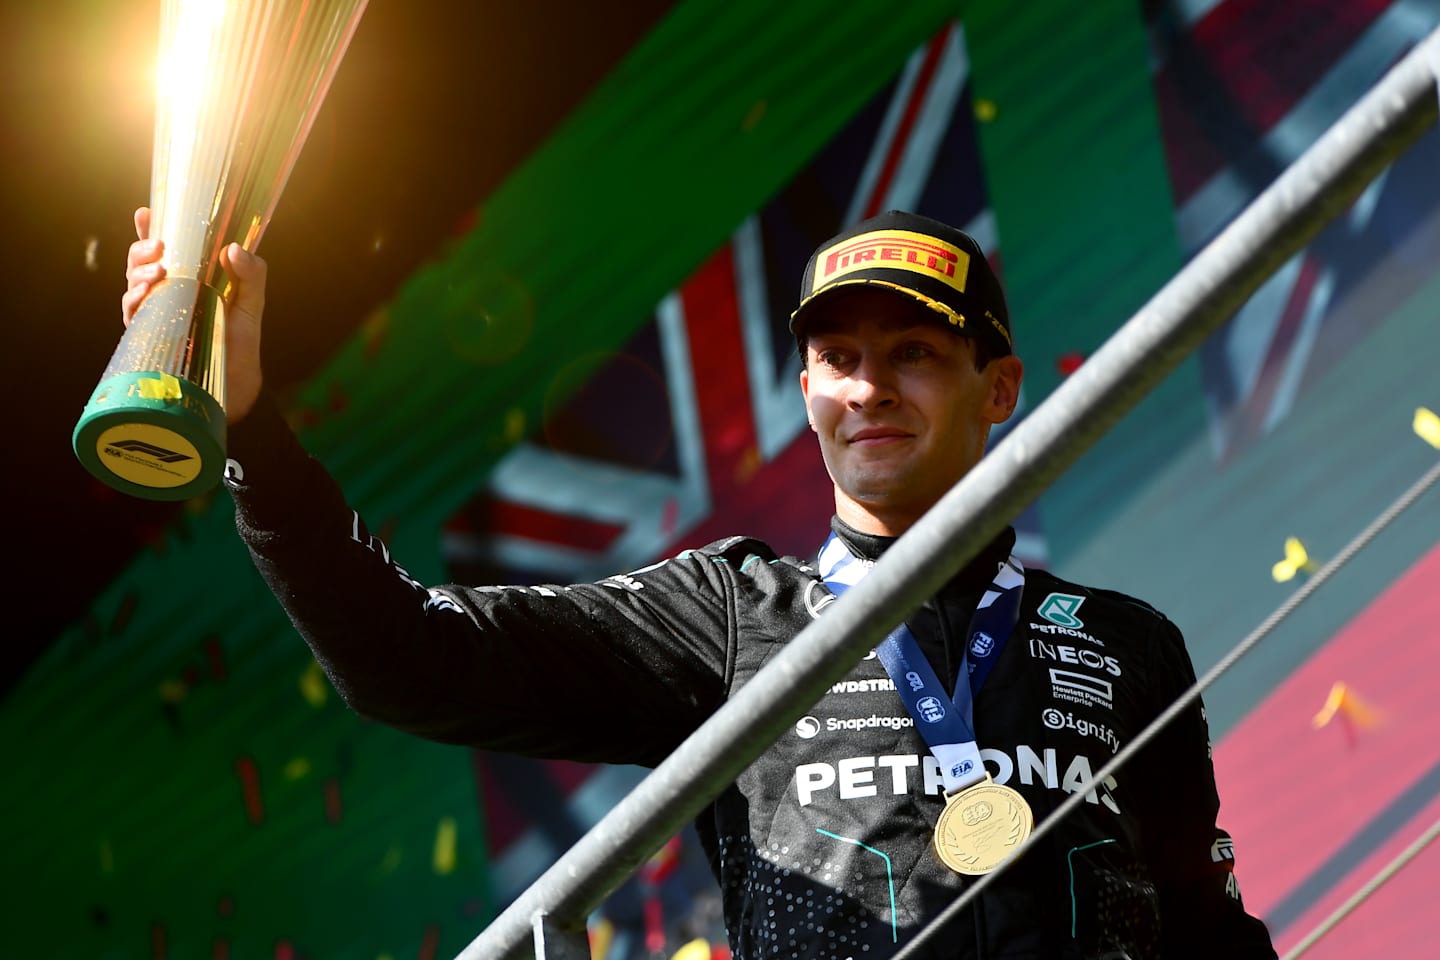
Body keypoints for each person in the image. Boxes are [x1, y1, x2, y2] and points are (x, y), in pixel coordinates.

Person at [123, 207, 1278, 959]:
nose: (867, 388)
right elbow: (404, 657)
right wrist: (251, 430)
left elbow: (1203, 927)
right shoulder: (730, 615)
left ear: (1000, 386)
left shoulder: (1128, 644)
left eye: (914, 353)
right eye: (838, 359)